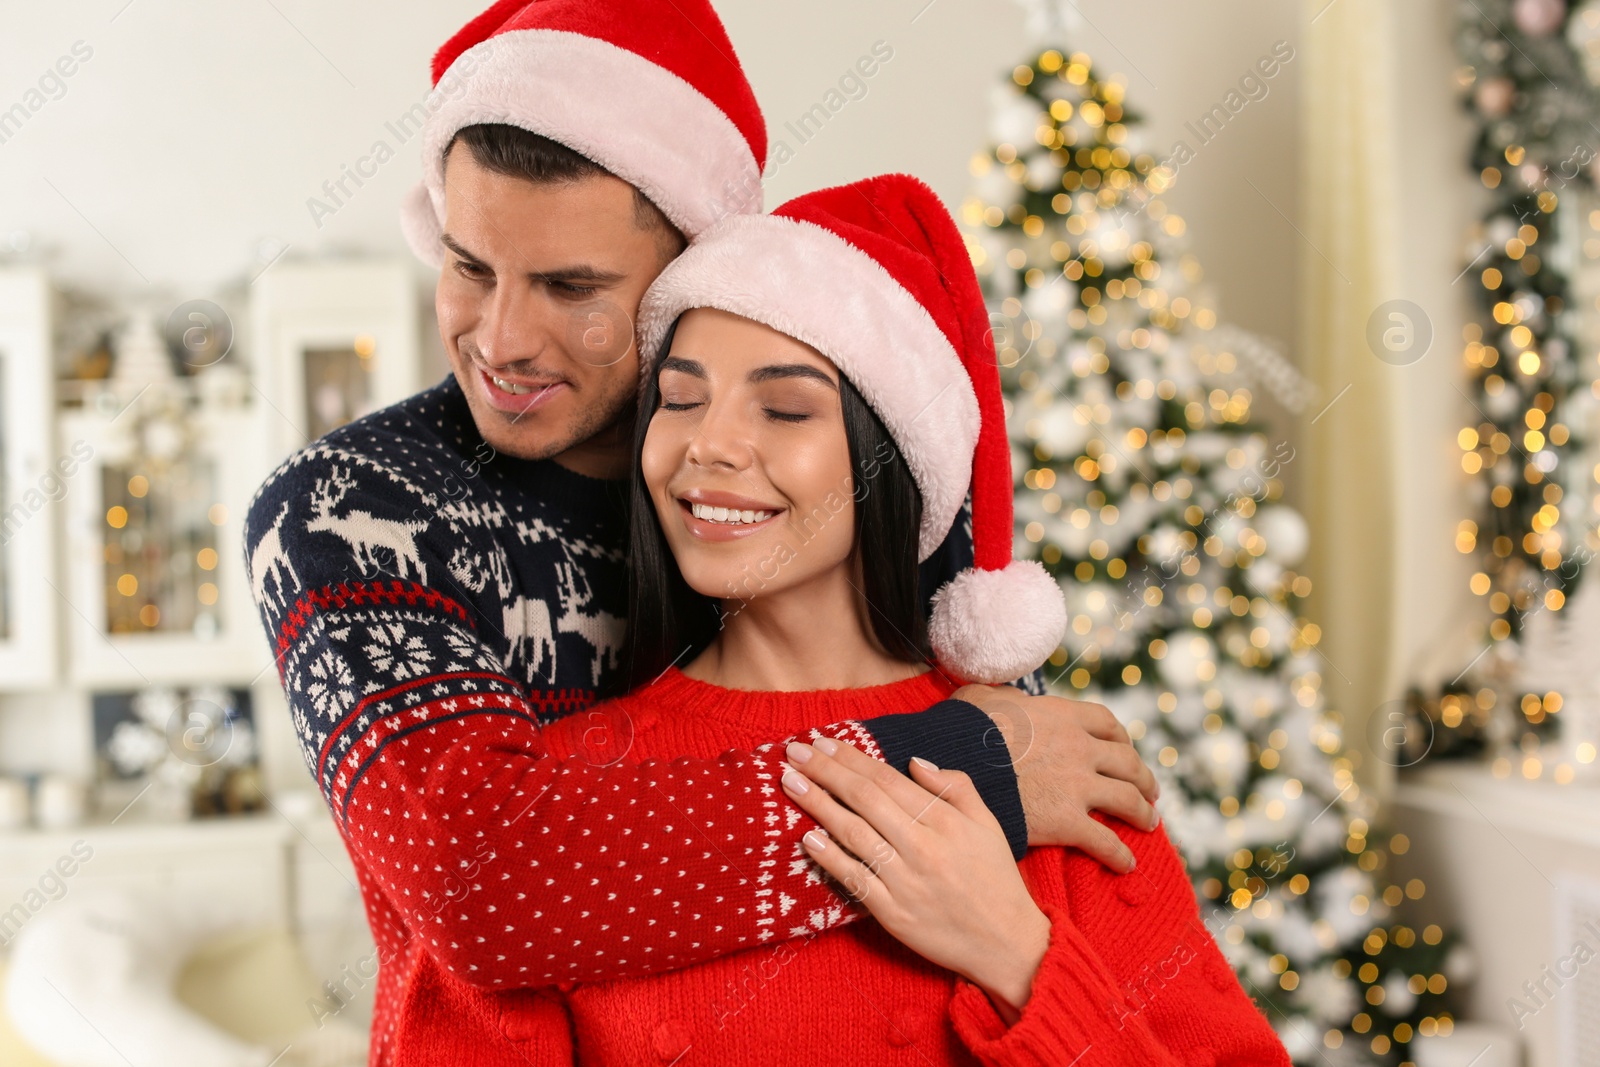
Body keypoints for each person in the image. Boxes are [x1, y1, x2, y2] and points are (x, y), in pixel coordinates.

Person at [244, 1, 1157, 1062]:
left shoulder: (792, 478)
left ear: (693, 274)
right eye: (469, 266)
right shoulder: (345, 508)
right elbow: (481, 881)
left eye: (572, 287)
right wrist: (966, 779)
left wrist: (1021, 944)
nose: (500, 339)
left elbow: (1022, 801)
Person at [526, 174, 1293, 1065]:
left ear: (892, 454)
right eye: (682, 398)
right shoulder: (561, 804)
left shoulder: (1047, 764)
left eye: (785, 408)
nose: (710, 444)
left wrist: (1017, 955)